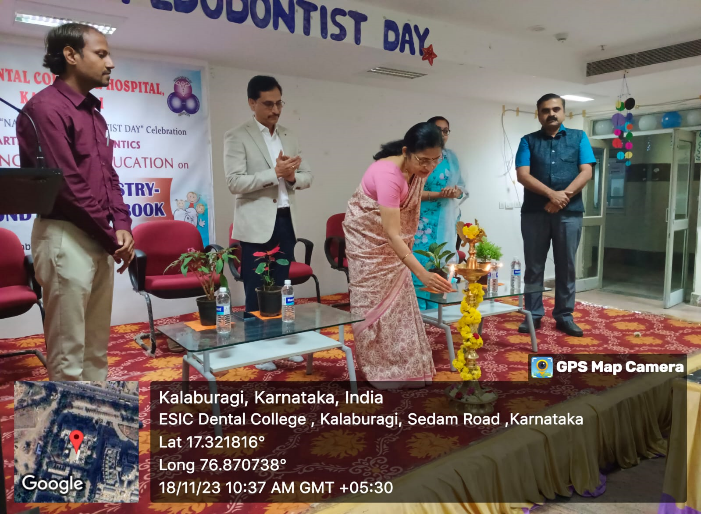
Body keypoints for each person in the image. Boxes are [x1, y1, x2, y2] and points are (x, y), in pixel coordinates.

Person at [16, 24, 134, 380]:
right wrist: (111, 236)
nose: (111, 63)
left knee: (96, 348)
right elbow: (66, 186)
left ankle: (95, 416)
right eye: (101, 54)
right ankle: (69, 420)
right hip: (65, 236)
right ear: (70, 55)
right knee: (68, 355)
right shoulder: (45, 108)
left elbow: (109, 177)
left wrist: (123, 225)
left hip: (98, 235)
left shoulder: (94, 114)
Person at [344, 123, 453, 389]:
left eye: (435, 160)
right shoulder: (387, 174)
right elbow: (392, 234)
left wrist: (438, 193)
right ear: (406, 152)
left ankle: (405, 365)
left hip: (394, 245)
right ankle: (380, 368)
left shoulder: (416, 168)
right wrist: (422, 273)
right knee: (372, 307)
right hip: (369, 243)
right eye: (423, 160)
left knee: (399, 305)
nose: (429, 167)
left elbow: (408, 196)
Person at [224, 75, 313, 371]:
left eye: (279, 103)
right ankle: (257, 347)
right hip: (255, 224)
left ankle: (283, 340)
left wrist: (291, 177)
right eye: (268, 104)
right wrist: (274, 173)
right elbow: (234, 182)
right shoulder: (237, 136)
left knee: (283, 285)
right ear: (252, 103)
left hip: (286, 220)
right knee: (257, 286)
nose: (275, 110)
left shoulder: (289, 135)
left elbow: (308, 176)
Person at [515, 94, 594, 337]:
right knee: (534, 266)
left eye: (556, 109)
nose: (551, 113)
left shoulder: (579, 138)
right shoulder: (528, 141)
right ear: (538, 114)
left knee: (566, 266)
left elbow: (586, 172)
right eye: (545, 110)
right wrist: (552, 195)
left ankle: (564, 316)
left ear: (563, 112)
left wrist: (562, 199)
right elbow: (523, 175)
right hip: (534, 214)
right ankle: (533, 315)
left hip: (570, 214)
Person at [412, 116, 467, 309]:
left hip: (444, 220)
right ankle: (417, 311)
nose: (442, 134)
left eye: (446, 131)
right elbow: (408, 192)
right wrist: (439, 194)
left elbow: (462, 188)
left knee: (441, 265)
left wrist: (455, 192)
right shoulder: (418, 156)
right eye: (438, 130)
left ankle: (436, 311)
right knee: (420, 264)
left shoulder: (451, 158)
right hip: (419, 221)